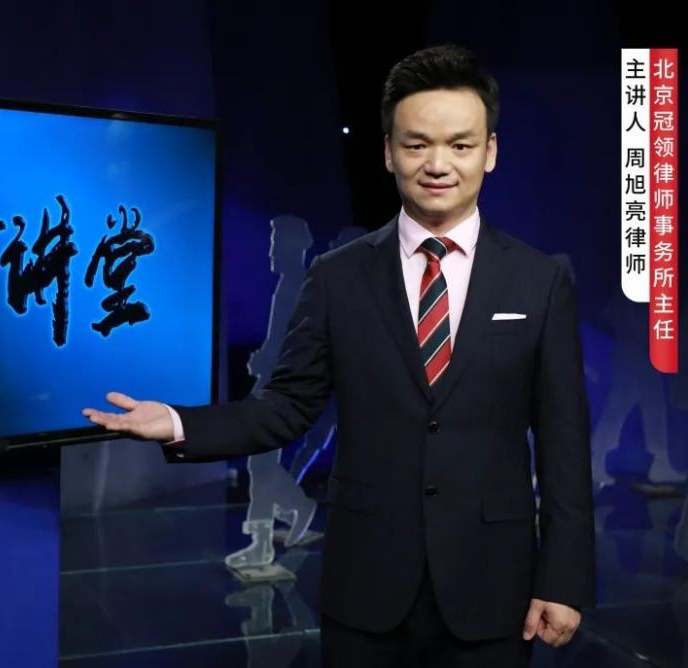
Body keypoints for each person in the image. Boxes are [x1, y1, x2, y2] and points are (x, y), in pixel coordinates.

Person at [82, 44, 595, 667]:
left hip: (494, 586)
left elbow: (564, 442)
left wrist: (563, 579)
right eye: (416, 144)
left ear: (489, 151)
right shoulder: (337, 276)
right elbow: (287, 405)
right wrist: (178, 422)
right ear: (388, 152)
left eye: (459, 145)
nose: (438, 164)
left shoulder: (538, 282)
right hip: (367, 586)